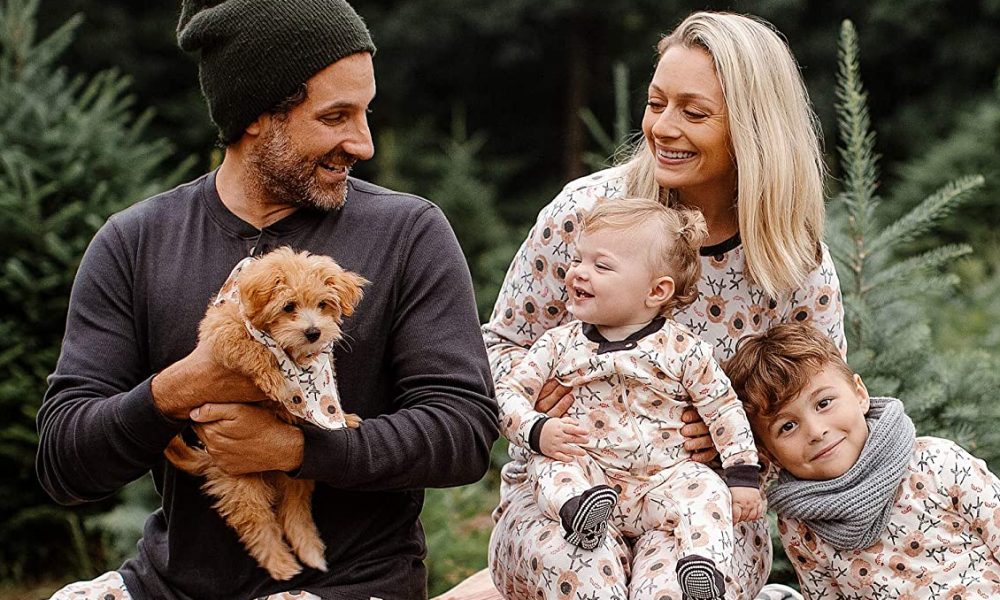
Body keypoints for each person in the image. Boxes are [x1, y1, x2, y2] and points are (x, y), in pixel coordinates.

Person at [35, 1, 498, 599]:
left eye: (366, 113)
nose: (363, 143)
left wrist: (301, 448)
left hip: (346, 586)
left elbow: (462, 434)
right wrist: (179, 388)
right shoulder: (135, 242)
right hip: (169, 586)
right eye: (336, 117)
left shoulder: (408, 233)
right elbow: (64, 463)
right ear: (257, 115)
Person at [481, 10, 845, 600]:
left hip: (696, 509)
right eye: (656, 104)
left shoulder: (793, 264)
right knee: (582, 578)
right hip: (566, 492)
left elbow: (819, 412)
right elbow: (500, 345)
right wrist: (535, 413)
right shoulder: (586, 215)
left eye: (694, 113)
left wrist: (738, 443)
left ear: (754, 128)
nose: (663, 128)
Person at [497, 199, 764, 599]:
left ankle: (700, 565)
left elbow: (722, 408)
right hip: (589, 474)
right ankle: (577, 514)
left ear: (657, 290)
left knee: (705, 489)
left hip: (662, 479)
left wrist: (742, 473)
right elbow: (507, 393)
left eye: (600, 266)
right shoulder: (558, 344)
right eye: (578, 260)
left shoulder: (683, 350)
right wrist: (537, 429)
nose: (577, 274)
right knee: (551, 464)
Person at [725, 322, 1000, 599]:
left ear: (860, 394)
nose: (816, 431)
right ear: (768, 452)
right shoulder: (799, 523)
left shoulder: (936, 463)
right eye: (787, 426)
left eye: (823, 403)